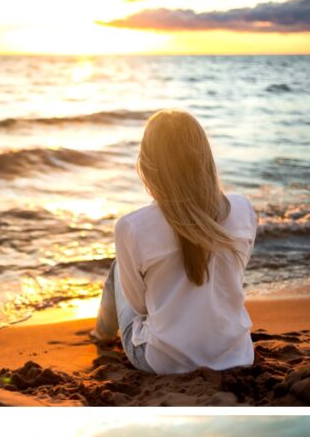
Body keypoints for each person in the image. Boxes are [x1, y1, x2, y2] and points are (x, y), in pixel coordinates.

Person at [92, 109, 257, 375]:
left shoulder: (132, 227)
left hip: (164, 361)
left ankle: (100, 333)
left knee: (118, 268)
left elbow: (139, 307)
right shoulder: (243, 209)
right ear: (205, 158)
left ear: (147, 165)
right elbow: (233, 277)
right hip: (237, 354)